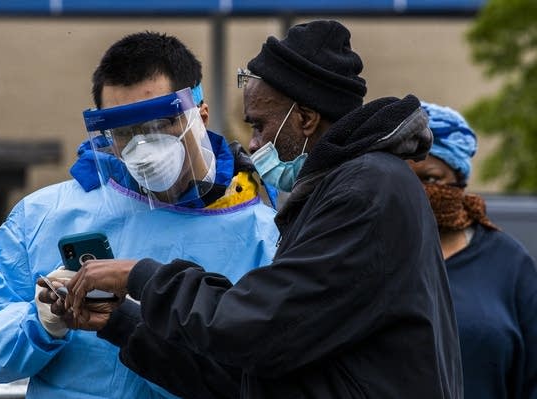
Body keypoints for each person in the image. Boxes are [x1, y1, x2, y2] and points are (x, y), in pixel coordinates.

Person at [55, 20, 464, 398]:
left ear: (304, 118)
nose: (252, 146)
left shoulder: (367, 190)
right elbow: (250, 376)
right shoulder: (345, 188)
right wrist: (121, 324)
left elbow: (256, 325)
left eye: (259, 125)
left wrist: (139, 275)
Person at [0, 32, 279, 399]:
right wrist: (42, 321)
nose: (144, 147)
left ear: (199, 115)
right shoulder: (44, 215)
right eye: (125, 133)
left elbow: (261, 372)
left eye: (160, 125)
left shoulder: (260, 234)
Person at [408, 102, 537, 399]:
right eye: (404, 179)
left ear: (459, 181)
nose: (416, 193)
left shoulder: (509, 265)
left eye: (430, 179)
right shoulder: (371, 256)